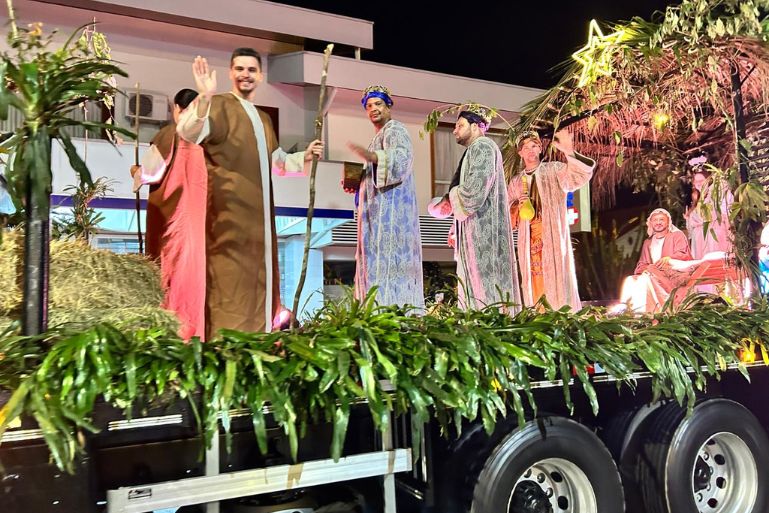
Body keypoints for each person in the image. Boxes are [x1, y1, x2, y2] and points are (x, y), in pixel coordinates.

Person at [177, 48, 323, 338]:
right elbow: (188, 132)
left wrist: (304, 155)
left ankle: (259, 340)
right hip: (227, 213)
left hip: (260, 217)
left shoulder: (263, 118)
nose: (246, 74)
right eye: (240, 69)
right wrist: (204, 96)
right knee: (228, 277)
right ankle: (225, 344)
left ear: (260, 75)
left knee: (261, 278)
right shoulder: (217, 104)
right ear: (231, 72)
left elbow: (277, 161)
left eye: (252, 70)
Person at [131, 88, 206, 340]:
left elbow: (151, 173)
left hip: (174, 222)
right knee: (198, 276)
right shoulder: (205, 142)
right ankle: (199, 331)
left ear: (176, 109)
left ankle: (172, 332)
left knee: (170, 275)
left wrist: (135, 172)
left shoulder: (168, 134)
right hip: (202, 221)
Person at [428, 104, 519, 311]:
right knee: (475, 287)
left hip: (484, 232)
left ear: (477, 126)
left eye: (460, 125)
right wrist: (455, 225)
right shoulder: (473, 151)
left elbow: (473, 192)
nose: (454, 130)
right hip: (473, 231)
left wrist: (447, 201)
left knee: (486, 287)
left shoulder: (483, 147)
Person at [345, 85, 424, 310]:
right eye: (369, 106)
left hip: (391, 216)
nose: (373, 109)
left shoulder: (395, 129)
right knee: (374, 267)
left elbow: (401, 159)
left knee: (388, 267)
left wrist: (370, 156)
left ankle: (391, 311)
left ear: (388, 105)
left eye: (378, 104)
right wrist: (358, 183)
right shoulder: (377, 137)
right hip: (376, 216)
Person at [507, 130, 595, 310]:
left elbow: (578, 177)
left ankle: (562, 316)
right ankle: (537, 316)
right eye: (525, 148)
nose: (530, 151)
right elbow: (505, 213)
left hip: (553, 236)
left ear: (540, 148)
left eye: (534, 146)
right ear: (520, 153)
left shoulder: (553, 170)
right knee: (533, 279)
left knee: (557, 277)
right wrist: (517, 205)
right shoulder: (516, 182)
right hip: (528, 241)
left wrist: (569, 152)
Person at [620, 208, 694, 312]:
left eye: (661, 219)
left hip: (672, 275)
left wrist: (669, 259)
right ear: (650, 223)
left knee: (645, 280)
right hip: (652, 274)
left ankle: (653, 312)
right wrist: (648, 269)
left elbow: (684, 255)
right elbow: (642, 264)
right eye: (655, 220)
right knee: (630, 280)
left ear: (668, 222)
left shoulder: (677, 236)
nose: (658, 223)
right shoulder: (648, 242)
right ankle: (632, 313)